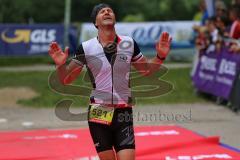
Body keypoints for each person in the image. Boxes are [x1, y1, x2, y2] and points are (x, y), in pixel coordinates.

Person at [48, 3, 171, 160]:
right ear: (96, 23)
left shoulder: (129, 43)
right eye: (101, 12)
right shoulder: (86, 48)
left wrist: (160, 56)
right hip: (99, 111)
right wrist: (60, 66)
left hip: (123, 112)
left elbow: (146, 70)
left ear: (114, 18)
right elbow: (66, 79)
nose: (106, 12)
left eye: (109, 10)